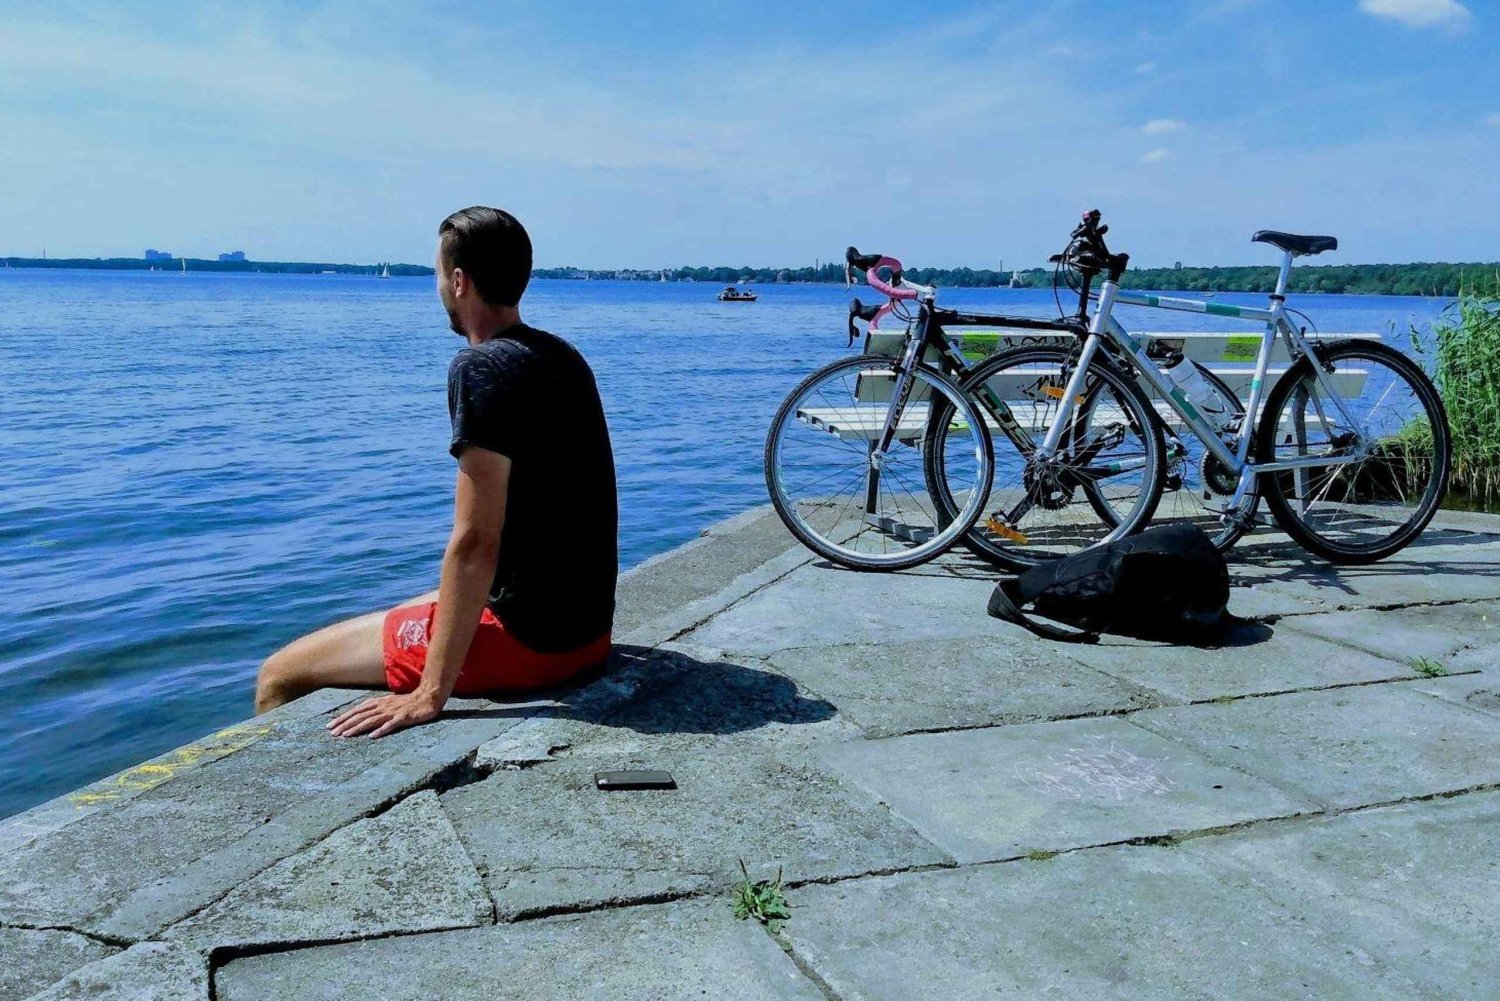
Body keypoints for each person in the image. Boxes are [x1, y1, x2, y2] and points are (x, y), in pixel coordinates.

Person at [254, 207, 618, 738]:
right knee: (410, 606)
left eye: (438, 277)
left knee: (281, 672)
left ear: (458, 280)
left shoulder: (479, 368)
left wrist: (429, 693)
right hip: (586, 634)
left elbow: (475, 540)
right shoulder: (561, 355)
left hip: (531, 647)